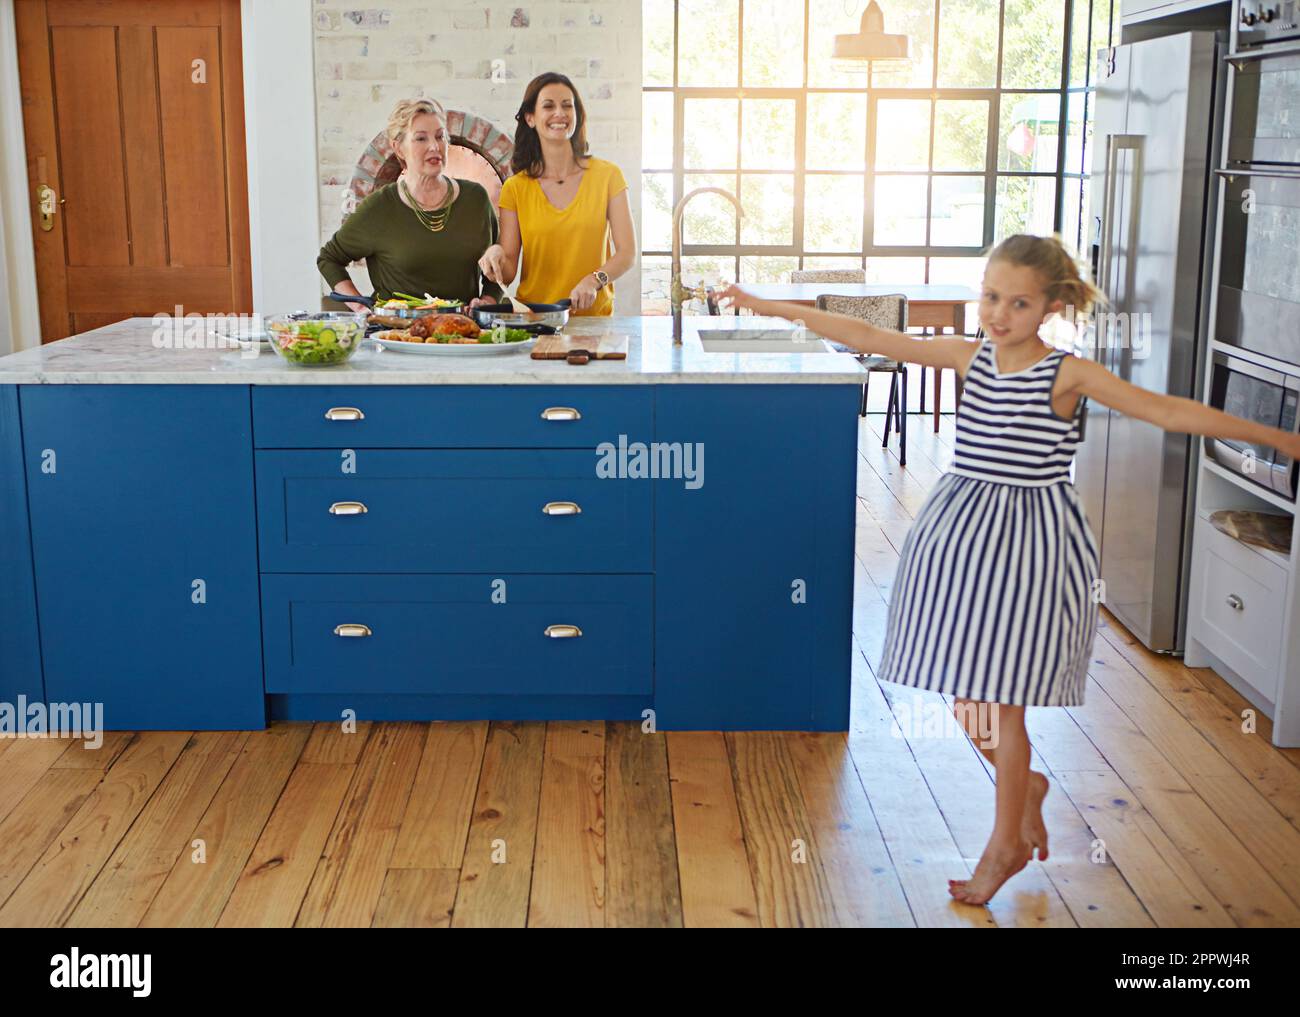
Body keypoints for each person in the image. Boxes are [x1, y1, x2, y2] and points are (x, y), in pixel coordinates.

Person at [719, 234, 1300, 906]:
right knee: (968, 706)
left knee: (1005, 705)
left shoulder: (1068, 374)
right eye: (991, 296)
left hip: (1031, 550)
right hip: (962, 541)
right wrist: (765, 303)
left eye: (1019, 303)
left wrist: (1280, 438)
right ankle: (1025, 789)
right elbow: (863, 333)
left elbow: (1166, 410)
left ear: (1051, 305)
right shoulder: (971, 355)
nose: (999, 313)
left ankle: (1004, 847)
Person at [318, 98, 501, 311]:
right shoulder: (380, 207)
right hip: (396, 336)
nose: (434, 146)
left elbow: (496, 267)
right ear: (399, 148)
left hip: (462, 334)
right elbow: (329, 259)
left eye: (440, 136)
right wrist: (361, 309)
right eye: (421, 139)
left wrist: (488, 300)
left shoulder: (475, 199)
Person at [478, 72, 635, 315]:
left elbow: (627, 253)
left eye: (567, 106)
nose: (560, 113)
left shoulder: (608, 176)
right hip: (534, 320)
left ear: (576, 114)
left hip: (593, 322)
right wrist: (495, 254)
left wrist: (594, 280)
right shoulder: (516, 187)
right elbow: (507, 272)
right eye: (548, 106)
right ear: (530, 118)